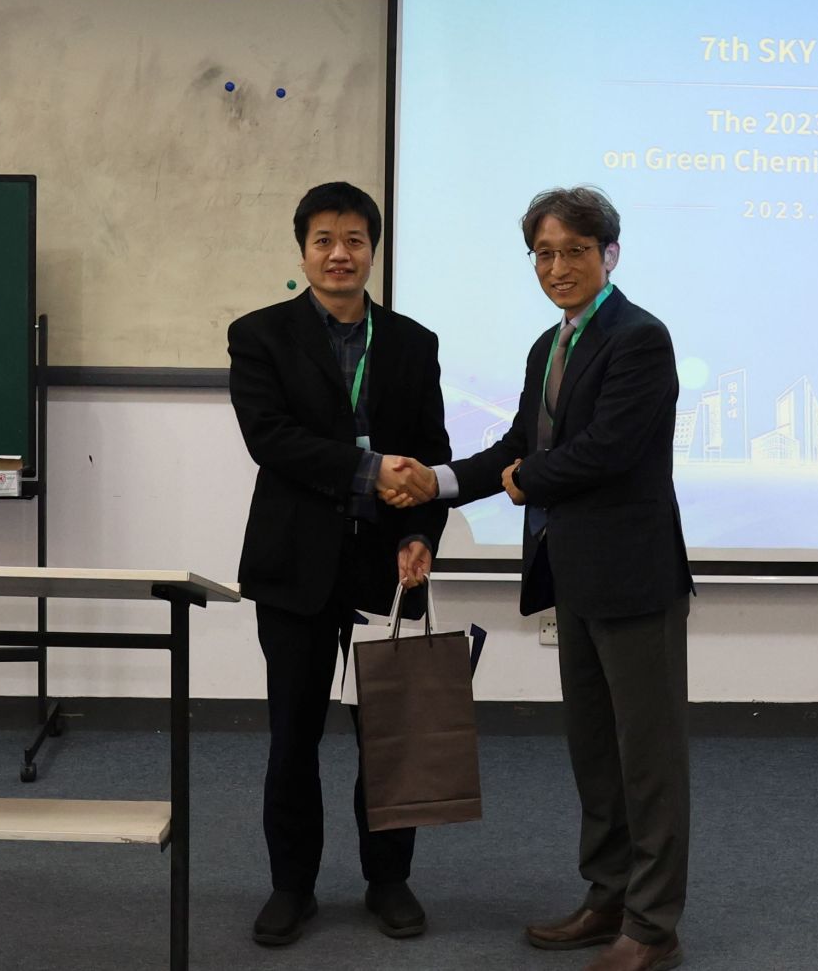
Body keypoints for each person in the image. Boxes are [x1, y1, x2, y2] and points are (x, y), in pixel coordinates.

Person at [393, 186, 692, 971]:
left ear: (609, 254)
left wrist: (529, 479)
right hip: (574, 575)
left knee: (649, 759)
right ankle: (608, 896)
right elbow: (518, 443)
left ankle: (653, 926)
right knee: (595, 750)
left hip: (634, 576)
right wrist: (437, 482)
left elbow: (609, 448)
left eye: (575, 251)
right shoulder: (547, 345)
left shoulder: (640, 337)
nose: (558, 267)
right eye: (545, 253)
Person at [227, 180, 449, 947]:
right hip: (294, 566)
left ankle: (389, 878)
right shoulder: (259, 335)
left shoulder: (413, 343)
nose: (339, 253)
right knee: (293, 736)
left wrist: (420, 532)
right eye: (324, 239)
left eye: (354, 239)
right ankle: (292, 885)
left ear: (372, 250)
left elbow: (432, 453)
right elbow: (271, 439)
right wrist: (367, 468)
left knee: (390, 736)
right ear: (303, 251)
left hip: (386, 570)